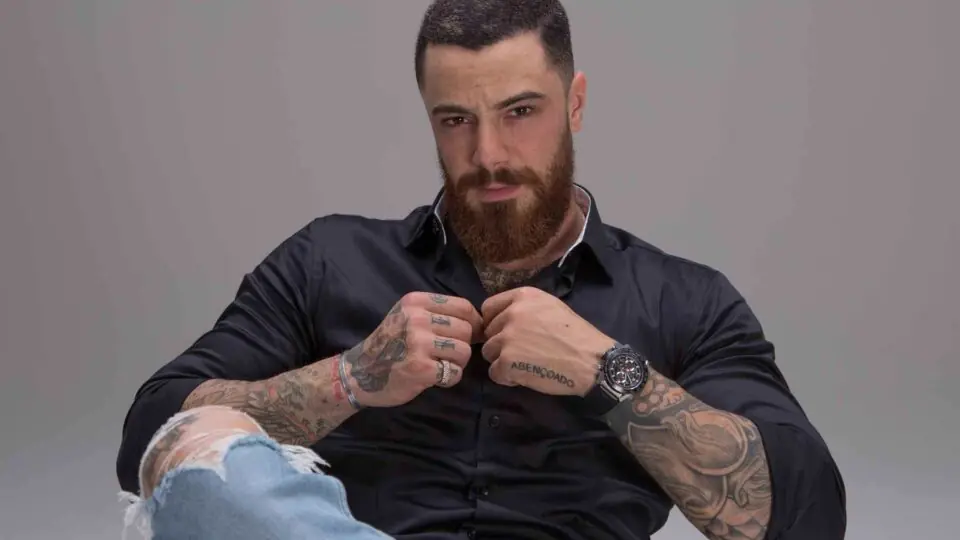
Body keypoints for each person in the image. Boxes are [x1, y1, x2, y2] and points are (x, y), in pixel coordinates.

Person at [116, 1, 847, 539]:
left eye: (520, 112)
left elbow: (807, 513)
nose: (489, 154)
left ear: (576, 104)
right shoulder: (327, 260)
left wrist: (605, 370)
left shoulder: (683, 300)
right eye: (456, 120)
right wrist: (351, 378)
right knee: (202, 458)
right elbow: (153, 440)